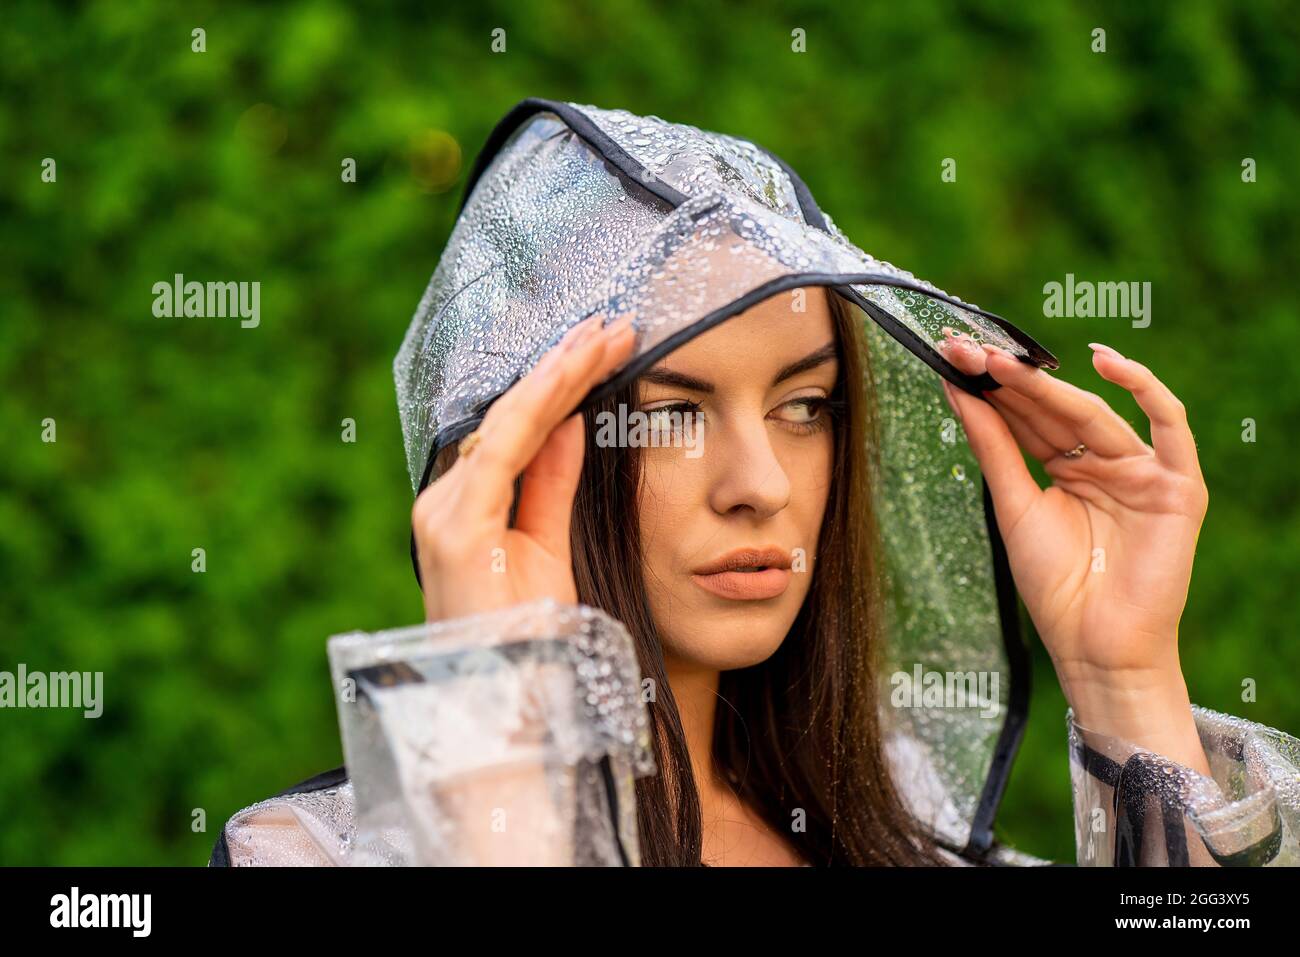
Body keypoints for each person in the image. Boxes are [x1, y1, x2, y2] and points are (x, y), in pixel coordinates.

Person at [211, 100, 1298, 867]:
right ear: (525, 446)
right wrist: (500, 730)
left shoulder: (908, 835)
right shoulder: (311, 857)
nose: (760, 485)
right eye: (674, 412)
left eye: (804, 406)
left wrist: (1124, 681)